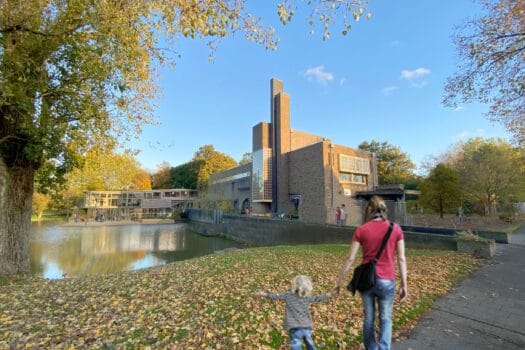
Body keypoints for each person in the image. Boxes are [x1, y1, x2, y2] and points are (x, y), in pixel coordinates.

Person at [334, 196, 408, 350]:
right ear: (384, 210)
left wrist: (338, 282)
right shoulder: (396, 229)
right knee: (386, 318)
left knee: (369, 318)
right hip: (387, 281)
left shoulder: (362, 230)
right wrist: (404, 285)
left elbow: (350, 258)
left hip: (367, 281)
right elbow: (401, 258)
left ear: (369, 210)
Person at [256, 275, 336, 350]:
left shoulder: (288, 295)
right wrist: (330, 294)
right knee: (309, 343)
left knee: (296, 345)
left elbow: (276, 296)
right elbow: (318, 298)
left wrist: (264, 294)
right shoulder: (307, 297)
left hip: (294, 328)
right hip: (306, 327)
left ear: (294, 285)